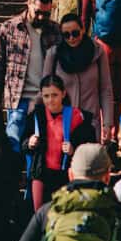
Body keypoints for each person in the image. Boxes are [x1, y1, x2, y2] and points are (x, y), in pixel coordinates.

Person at [0, 0, 60, 154]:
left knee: (42, 148)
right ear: (28, 4)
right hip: (17, 98)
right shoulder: (10, 28)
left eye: (46, 13)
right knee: (13, 144)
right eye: (38, 12)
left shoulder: (55, 31)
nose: (41, 17)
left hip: (46, 98)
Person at [25, 77, 96, 209]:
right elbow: (23, 144)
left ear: (63, 94)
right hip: (41, 174)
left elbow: (90, 146)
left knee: (65, 211)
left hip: (65, 174)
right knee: (40, 213)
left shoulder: (76, 116)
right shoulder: (37, 116)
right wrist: (29, 143)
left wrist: (74, 150)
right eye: (46, 96)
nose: (50, 100)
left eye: (54, 95)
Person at [45, 10, 114, 143]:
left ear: (83, 30)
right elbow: (45, 89)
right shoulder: (54, 54)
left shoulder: (98, 52)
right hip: (62, 122)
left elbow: (106, 90)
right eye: (66, 35)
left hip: (90, 122)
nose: (71, 38)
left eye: (75, 33)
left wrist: (107, 123)